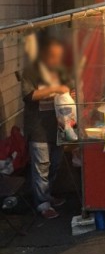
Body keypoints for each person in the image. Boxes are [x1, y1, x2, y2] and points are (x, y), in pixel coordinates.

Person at [21, 37, 73, 219]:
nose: (55, 60)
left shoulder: (59, 71)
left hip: (57, 125)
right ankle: (42, 204)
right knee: (42, 166)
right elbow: (29, 95)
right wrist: (57, 89)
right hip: (38, 127)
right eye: (52, 56)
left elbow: (69, 88)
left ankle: (48, 195)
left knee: (56, 163)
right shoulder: (31, 70)